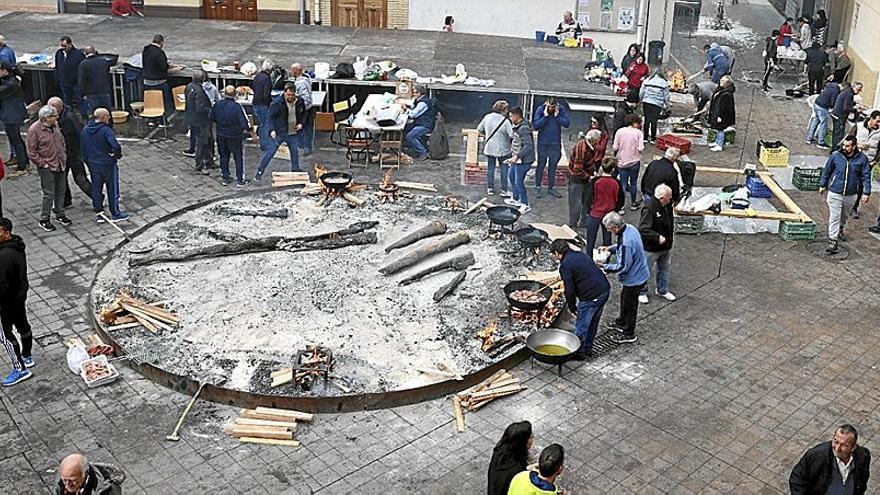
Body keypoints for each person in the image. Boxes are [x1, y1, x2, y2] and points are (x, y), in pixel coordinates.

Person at [551, 238, 610, 359]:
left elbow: (569, 290)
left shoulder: (565, 266)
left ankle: (578, 354)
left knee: (581, 327)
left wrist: (572, 307)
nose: (553, 257)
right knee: (593, 322)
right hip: (604, 289)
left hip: (591, 296)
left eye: (553, 254)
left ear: (558, 253)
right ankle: (588, 349)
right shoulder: (579, 254)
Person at [597, 212, 649, 345]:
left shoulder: (627, 242)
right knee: (624, 298)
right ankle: (621, 321)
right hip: (637, 275)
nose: (609, 231)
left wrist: (604, 266)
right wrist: (609, 248)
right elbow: (620, 248)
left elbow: (622, 267)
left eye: (609, 229)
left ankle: (628, 333)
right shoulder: (630, 228)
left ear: (615, 227)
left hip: (635, 278)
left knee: (630, 305)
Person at [819, 136, 870, 254]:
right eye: (844, 145)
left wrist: (866, 192)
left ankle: (840, 229)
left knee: (844, 215)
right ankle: (833, 240)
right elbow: (827, 170)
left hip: (851, 194)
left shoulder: (862, 159)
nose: (844, 147)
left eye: (847, 146)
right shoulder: (836, 156)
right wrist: (823, 184)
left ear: (854, 146)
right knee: (834, 216)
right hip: (835, 191)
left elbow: (866, 176)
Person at [789, 424, 871, 495]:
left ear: (853, 447)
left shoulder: (863, 456)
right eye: (836, 441)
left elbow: (863, 479)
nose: (837, 448)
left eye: (844, 445)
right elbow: (797, 479)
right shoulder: (816, 455)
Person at [0, 217, 33, 387]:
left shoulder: (4, 256)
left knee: (5, 336)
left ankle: (20, 369)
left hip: (5, 301)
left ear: (6, 232)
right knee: (23, 326)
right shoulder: (16, 246)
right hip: (18, 296)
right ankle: (27, 356)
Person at [27, 106, 70, 232]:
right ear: (46, 118)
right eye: (54, 116)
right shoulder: (34, 130)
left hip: (60, 163)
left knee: (61, 190)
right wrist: (42, 164)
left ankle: (60, 214)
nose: (57, 118)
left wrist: (64, 154)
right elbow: (31, 151)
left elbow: (61, 141)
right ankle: (44, 219)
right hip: (47, 166)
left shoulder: (55, 125)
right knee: (49, 193)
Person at [81, 108, 128, 223]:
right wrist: (115, 156)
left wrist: (88, 162)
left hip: (93, 164)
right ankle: (115, 213)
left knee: (96, 188)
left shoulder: (85, 130)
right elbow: (115, 146)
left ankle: (99, 212)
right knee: (112, 189)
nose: (110, 118)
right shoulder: (106, 131)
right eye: (108, 116)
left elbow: (83, 150)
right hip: (107, 164)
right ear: (102, 117)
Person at [255, 82, 308, 181]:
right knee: (270, 152)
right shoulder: (277, 103)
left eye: (292, 95)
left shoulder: (300, 101)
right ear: (284, 93)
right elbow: (269, 117)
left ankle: (295, 170)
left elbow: (304, 114)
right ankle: (259, 172)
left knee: (294, 152)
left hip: (293, 132)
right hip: (280, 132)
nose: (290, 97)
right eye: (288, 95)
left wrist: (301, 124)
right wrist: (272, 130)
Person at [47, 97, 92, 208]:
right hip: (62, 154)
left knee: (80, 179)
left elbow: (81, 132)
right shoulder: (53, 118)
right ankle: (65, 201)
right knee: (61, 179)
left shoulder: (70, 117)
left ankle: (97, 197)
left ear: (59, 108)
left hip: (74, 153)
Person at [638, 184, 676, 304]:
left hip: (666, 245)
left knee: (664, 268)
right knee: (645, 269)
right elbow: (643, 229)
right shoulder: (649, 209)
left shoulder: (667, 206)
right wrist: (657, 237)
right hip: (651, 247)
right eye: (668, 197)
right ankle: (642, 291)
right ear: (661, 198)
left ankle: (662, 290)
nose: (670, 200)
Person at [211, 86, 250, 187]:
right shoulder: (237, 107)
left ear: (224, 94)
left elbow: (211, 117)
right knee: (238, 157)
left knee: (223, 156)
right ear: (235, 95)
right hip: (234, 136)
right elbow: (244, 123)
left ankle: (225, 177)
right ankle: (240, 179)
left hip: (221, 135)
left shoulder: (217, 105)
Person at [532, 98, 569, 199]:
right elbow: (536, 125)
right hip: (543, 143)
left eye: (553, 107)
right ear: (546, 104)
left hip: (555, 143)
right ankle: (538, 187)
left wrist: (557, 117)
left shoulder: (560, 109)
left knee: (553, 166)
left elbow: (566, 123)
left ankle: (551, 187)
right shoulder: (540, 109)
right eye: (550, 107)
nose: (551, 109)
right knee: (541, 165)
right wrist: (545, 116)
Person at [477, 100, 514, 197]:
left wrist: (487, 136)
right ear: (503, 110)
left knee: (490, 168)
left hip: (489, 147)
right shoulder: (505, 121)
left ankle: (490, 188)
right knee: (504, 169)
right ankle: (504, 190)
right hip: (503, 149)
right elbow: (511, 135)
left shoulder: (487, 117)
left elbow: (479, 129)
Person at [584, 159, 623, 252]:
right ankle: (606, 260)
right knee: (607, 239)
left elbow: (588, 198)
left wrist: (589, 210)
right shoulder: (616, 183)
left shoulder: (595, 181)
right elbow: (621, 200)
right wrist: (615, 210)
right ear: (613, 169)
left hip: (595, 213)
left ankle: (589, 258)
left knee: (590, 239)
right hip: (609, 214)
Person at [567, 129, 603, 228]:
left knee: (586, 201)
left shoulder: (591, 147)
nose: (600, 140)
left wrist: (594, 171)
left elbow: (589, 162)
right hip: (577, 180)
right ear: (594, 140)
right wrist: (589, 177)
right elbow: (577, 170)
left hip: (586, 178)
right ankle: (573, 224)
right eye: (599, 139)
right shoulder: (581, 149)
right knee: (576, 203)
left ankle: (583, 221)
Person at [486, 421, 533, 495]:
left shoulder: (499, 451)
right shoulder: (517, 471)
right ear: (524, 443)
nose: (533, 440)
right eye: (531, 437)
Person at [0, 61, 29, 176]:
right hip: (13, 114)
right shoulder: (12, 80)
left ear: (5, 71)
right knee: (16, 138)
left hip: (11, 115)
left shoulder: (10, 84)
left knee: (15, 139)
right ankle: (25, 159)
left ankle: (22, 166)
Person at [504, 107, 534, 214]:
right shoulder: (518, 125)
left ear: (516, 116)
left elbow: (528, 146)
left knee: (519, 182)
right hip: (516, 159)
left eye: (511, 116)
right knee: (511, 175)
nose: (510, 118)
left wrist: (517, 156)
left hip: (523, 161)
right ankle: (516, 198)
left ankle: (525, 204)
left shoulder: (524, 129)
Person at [851, 110, 880, 219]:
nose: (879, 124)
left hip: (868, 163)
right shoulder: (858, 127)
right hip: (854, 160)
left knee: (861, 186)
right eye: (877, 121)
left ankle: (854, 207)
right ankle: (845, 204)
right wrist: (858, 145)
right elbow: (848, 140)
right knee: (850, 182)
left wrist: (875, 160)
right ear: (871, 119)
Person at [184, 71, 213, 175]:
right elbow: (200, 108)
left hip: (191, 119)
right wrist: (211, 111)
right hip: (200, 121)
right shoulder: (199, 91)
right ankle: (199, 166)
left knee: (206, 140)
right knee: (201, 143)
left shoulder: (189, 87)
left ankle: (209, 161)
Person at [613, 114, 644, 210]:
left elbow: (615, 147)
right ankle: (633, 204)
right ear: (635, 123)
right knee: (633, 183)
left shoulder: (619, 131)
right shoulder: (638, 133)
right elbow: (640, 148)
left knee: (623, 183)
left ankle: (621, 206)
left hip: (622, 161)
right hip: (634, 162)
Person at [55, 453, 123, 495]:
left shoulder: (110, 491)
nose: (66, 486)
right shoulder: (65, 475)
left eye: (72, 480)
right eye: (64, 480)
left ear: (86, 473)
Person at [142, 34, 174, 118]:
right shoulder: (159, 53)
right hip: (158, 82)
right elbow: (163, 67)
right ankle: (163, 120)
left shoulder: (146, 50)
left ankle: (151, 120)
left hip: (146, 81)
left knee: (151, 103)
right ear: (161, 42)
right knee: (162, 103)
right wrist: (170, 67)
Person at [54, 36, 86, 119]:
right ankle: (69, 116)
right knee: (67, 100)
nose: (63, 48)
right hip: (64, 81)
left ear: (70, 44)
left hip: (76, 82)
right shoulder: (59, 53)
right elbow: (57, 66)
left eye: (64, 46)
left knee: (80, 100)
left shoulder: (78, 54)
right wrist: (59, 77)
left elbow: (82, 68)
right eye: (61, 46)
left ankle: (84, 116)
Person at [78, 46, 113, 119]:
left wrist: (82, 93)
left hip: (91, 93)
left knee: (94, 115)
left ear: (85, 53)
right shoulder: (103, 61)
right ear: (95, 51)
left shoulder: (83, 64)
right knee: (107, 112)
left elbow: (82, 80)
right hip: (104, 91)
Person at [403, 84, 436, 160]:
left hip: (425, 125)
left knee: (410, 136)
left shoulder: (423, 103)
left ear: (419, 93)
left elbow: (413, 114)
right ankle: (410, 146)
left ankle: (423, 152)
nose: (413, 94)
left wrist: (405, 109)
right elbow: (414, 107)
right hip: (421, 122)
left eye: (414, 92)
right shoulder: (420, 100)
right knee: (406, 128)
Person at [639, 69, 669, 144]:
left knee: (646, 120)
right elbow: (666, 96)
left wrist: (641, 100)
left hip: (646, 102)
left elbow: (641, 92)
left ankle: (645, 138)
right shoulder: (664, 83)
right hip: (657, 104)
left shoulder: (647, 80)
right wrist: (667, 105)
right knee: (654, 121)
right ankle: (653, 139)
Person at [807, 81, 839, 149]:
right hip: (822, 107)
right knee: (823, 123)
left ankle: (809, 138)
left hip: (816, 103)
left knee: (815, 121)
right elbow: (833, 102)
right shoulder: (836, 90)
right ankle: (820, 142)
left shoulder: (829, 86)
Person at [830, 82, 862, 152]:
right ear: (854, 87)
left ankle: (833, 149)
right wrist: (856, 109)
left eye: (860, 90)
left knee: (836, 133)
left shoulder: (846, 91)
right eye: (858, 89)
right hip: (840, 116)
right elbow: (846, 108)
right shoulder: (849, 94)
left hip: (835, 114)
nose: (859, 91)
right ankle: (836, 152)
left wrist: (854, 104)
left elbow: (845, 102)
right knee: (839, 135)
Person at [290, 63, 314, 156]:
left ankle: (307, 147)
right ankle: (302, 144)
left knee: (306, 129)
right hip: (307, 108)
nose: (291, 72)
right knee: (305, 128)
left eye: (292, 70)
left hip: (305, 109)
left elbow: (305, 97)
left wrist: (299, 103)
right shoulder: (306, 79)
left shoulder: (301, 83)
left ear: (296, 71)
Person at [707, 75, 735, 152]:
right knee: (718, 129)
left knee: (720, 129)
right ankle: (716, 142)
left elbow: (724, 107)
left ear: (727, 83)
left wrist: (720, 116)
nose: (720, 82)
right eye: (721, 80)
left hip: (721, 115)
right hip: (716, 112)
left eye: (723, 81)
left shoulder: (726, 94)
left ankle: (719, 145)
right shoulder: (721, 90)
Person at [252, 59, 274, 152]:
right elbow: (266, 94)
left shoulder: (258, 76)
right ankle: (265, 145)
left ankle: (263, 143)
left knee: (261, 124)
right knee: (265, 125)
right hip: (263, 105)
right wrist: (270, 103)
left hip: (255, 103)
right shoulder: (267, 78)